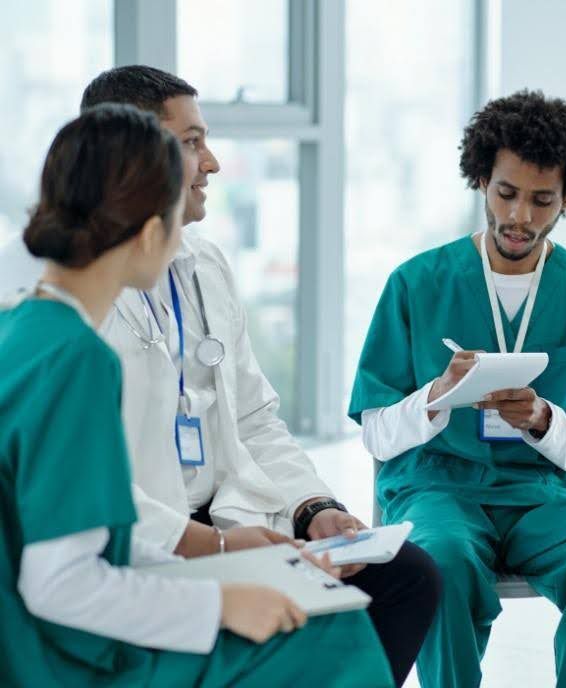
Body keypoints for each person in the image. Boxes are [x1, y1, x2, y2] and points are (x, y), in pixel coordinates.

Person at [65, 65, 437, 688]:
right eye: (191, 143)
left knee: (407, 577)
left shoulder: (204, 262)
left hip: (230, 516)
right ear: (129, 158)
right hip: (158, 541)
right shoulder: (80, 302)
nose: (211, 163)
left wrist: (313, 506)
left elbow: (255, 419)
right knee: (325, 626)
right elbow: (84, 487)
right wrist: (206, 545)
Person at [349, 90, 566, 688]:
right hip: (438, 485)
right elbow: (377, 434)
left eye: (543, 200)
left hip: (550, 492)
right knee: (440, 564)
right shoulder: (415, 284)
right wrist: (439, 394)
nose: (520, 217)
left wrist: (540, 419)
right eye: (506, 193)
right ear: (481, 179)